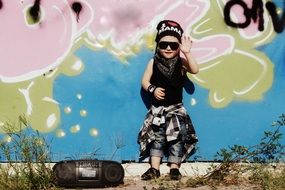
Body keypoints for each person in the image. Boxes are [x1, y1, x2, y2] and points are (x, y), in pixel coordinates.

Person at [137, 20, 199, 180]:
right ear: (158, 45)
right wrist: (153, 89)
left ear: (179, 46)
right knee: (157, 139)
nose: (168, 48)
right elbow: (145, 81)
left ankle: (174, 168)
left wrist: (187, 52)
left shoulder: (181, 63)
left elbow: (195, 69)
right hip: (158, 110)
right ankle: (154, 169)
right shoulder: (153, 62)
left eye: (173, 45)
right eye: (164, 44)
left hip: (176, 109)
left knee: (176, 140)